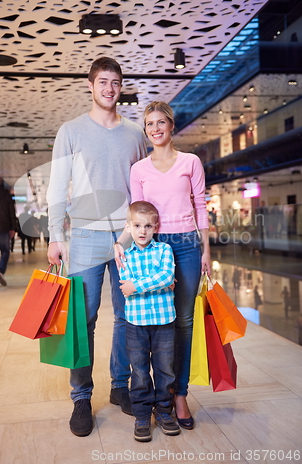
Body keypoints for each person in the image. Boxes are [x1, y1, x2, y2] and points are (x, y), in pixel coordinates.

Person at [46, 57, 147, 437]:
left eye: (115, 82)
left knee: (128, 317)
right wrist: (57, 236)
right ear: (90, 85)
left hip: (128, 239)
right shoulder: (70, 131)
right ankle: (81, 397)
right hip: (85, 236)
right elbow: (57, 188)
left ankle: (121, 385)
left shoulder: (136, 134)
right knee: (82, 320)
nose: (109, 88)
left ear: (121, 87)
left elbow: (143, 189)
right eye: (102, 81)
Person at [115, 101, 211, 430]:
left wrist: (206, 250)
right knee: (152, 322)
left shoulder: (191, 162)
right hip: (150, 244)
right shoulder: (139, 169)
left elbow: (200, 205)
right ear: (146, 131)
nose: (155, 128)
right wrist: (121, 242)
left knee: (182, 321)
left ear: (171, 125)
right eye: (149, 124)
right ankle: (152, 397)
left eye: (161, 122)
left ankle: (177, 394)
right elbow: (136, 214)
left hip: (185, 244)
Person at [119, 201, 180, 442]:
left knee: (165, 369)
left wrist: (139, 284)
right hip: (136, 323)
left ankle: (164, 411)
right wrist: (156, 282)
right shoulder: (125, 255)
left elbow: (167, 275)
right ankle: (142, 414)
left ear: (156, 227)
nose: (142, 231)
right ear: (128, 227)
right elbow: (126, 286)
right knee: (140, 371)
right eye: (136, 225)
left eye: (147, 226)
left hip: (165, 321)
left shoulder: (165, 249)